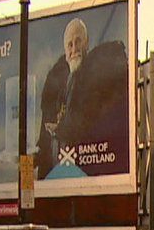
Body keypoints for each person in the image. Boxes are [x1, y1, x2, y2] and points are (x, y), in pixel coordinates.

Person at [36, 17, 128, 179]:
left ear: (87, 44)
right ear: (65, 52)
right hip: (57, 174)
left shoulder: (96, 76)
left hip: (87, 171)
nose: (74, 49)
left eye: (78, 42)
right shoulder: (58, 81)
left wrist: (60, 129)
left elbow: (88, 121)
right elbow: (45, 139)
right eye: (69, 45)